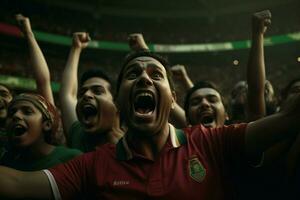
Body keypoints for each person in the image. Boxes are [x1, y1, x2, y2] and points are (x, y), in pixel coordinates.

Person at [0, 50, 300, 199]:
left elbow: (288, 119)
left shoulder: (212, 142)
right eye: (133, 74)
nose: (144, 78)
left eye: (156, 75)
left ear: (172, 99)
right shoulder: (91, 166)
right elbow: (15, 184)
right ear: (119, 102)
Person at [60, 32, 123, 152]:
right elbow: (67, 94)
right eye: (82, 93)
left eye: (97, 91)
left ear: (116, 103)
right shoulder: (78, 136)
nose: (87, 95)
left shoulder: (135, 146)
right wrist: (76, 49)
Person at [1, 93, 81, 171]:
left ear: (47, 125)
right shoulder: (6, 162)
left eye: (27, 112)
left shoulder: (71, 159)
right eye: (11, 113)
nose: (16, 115)